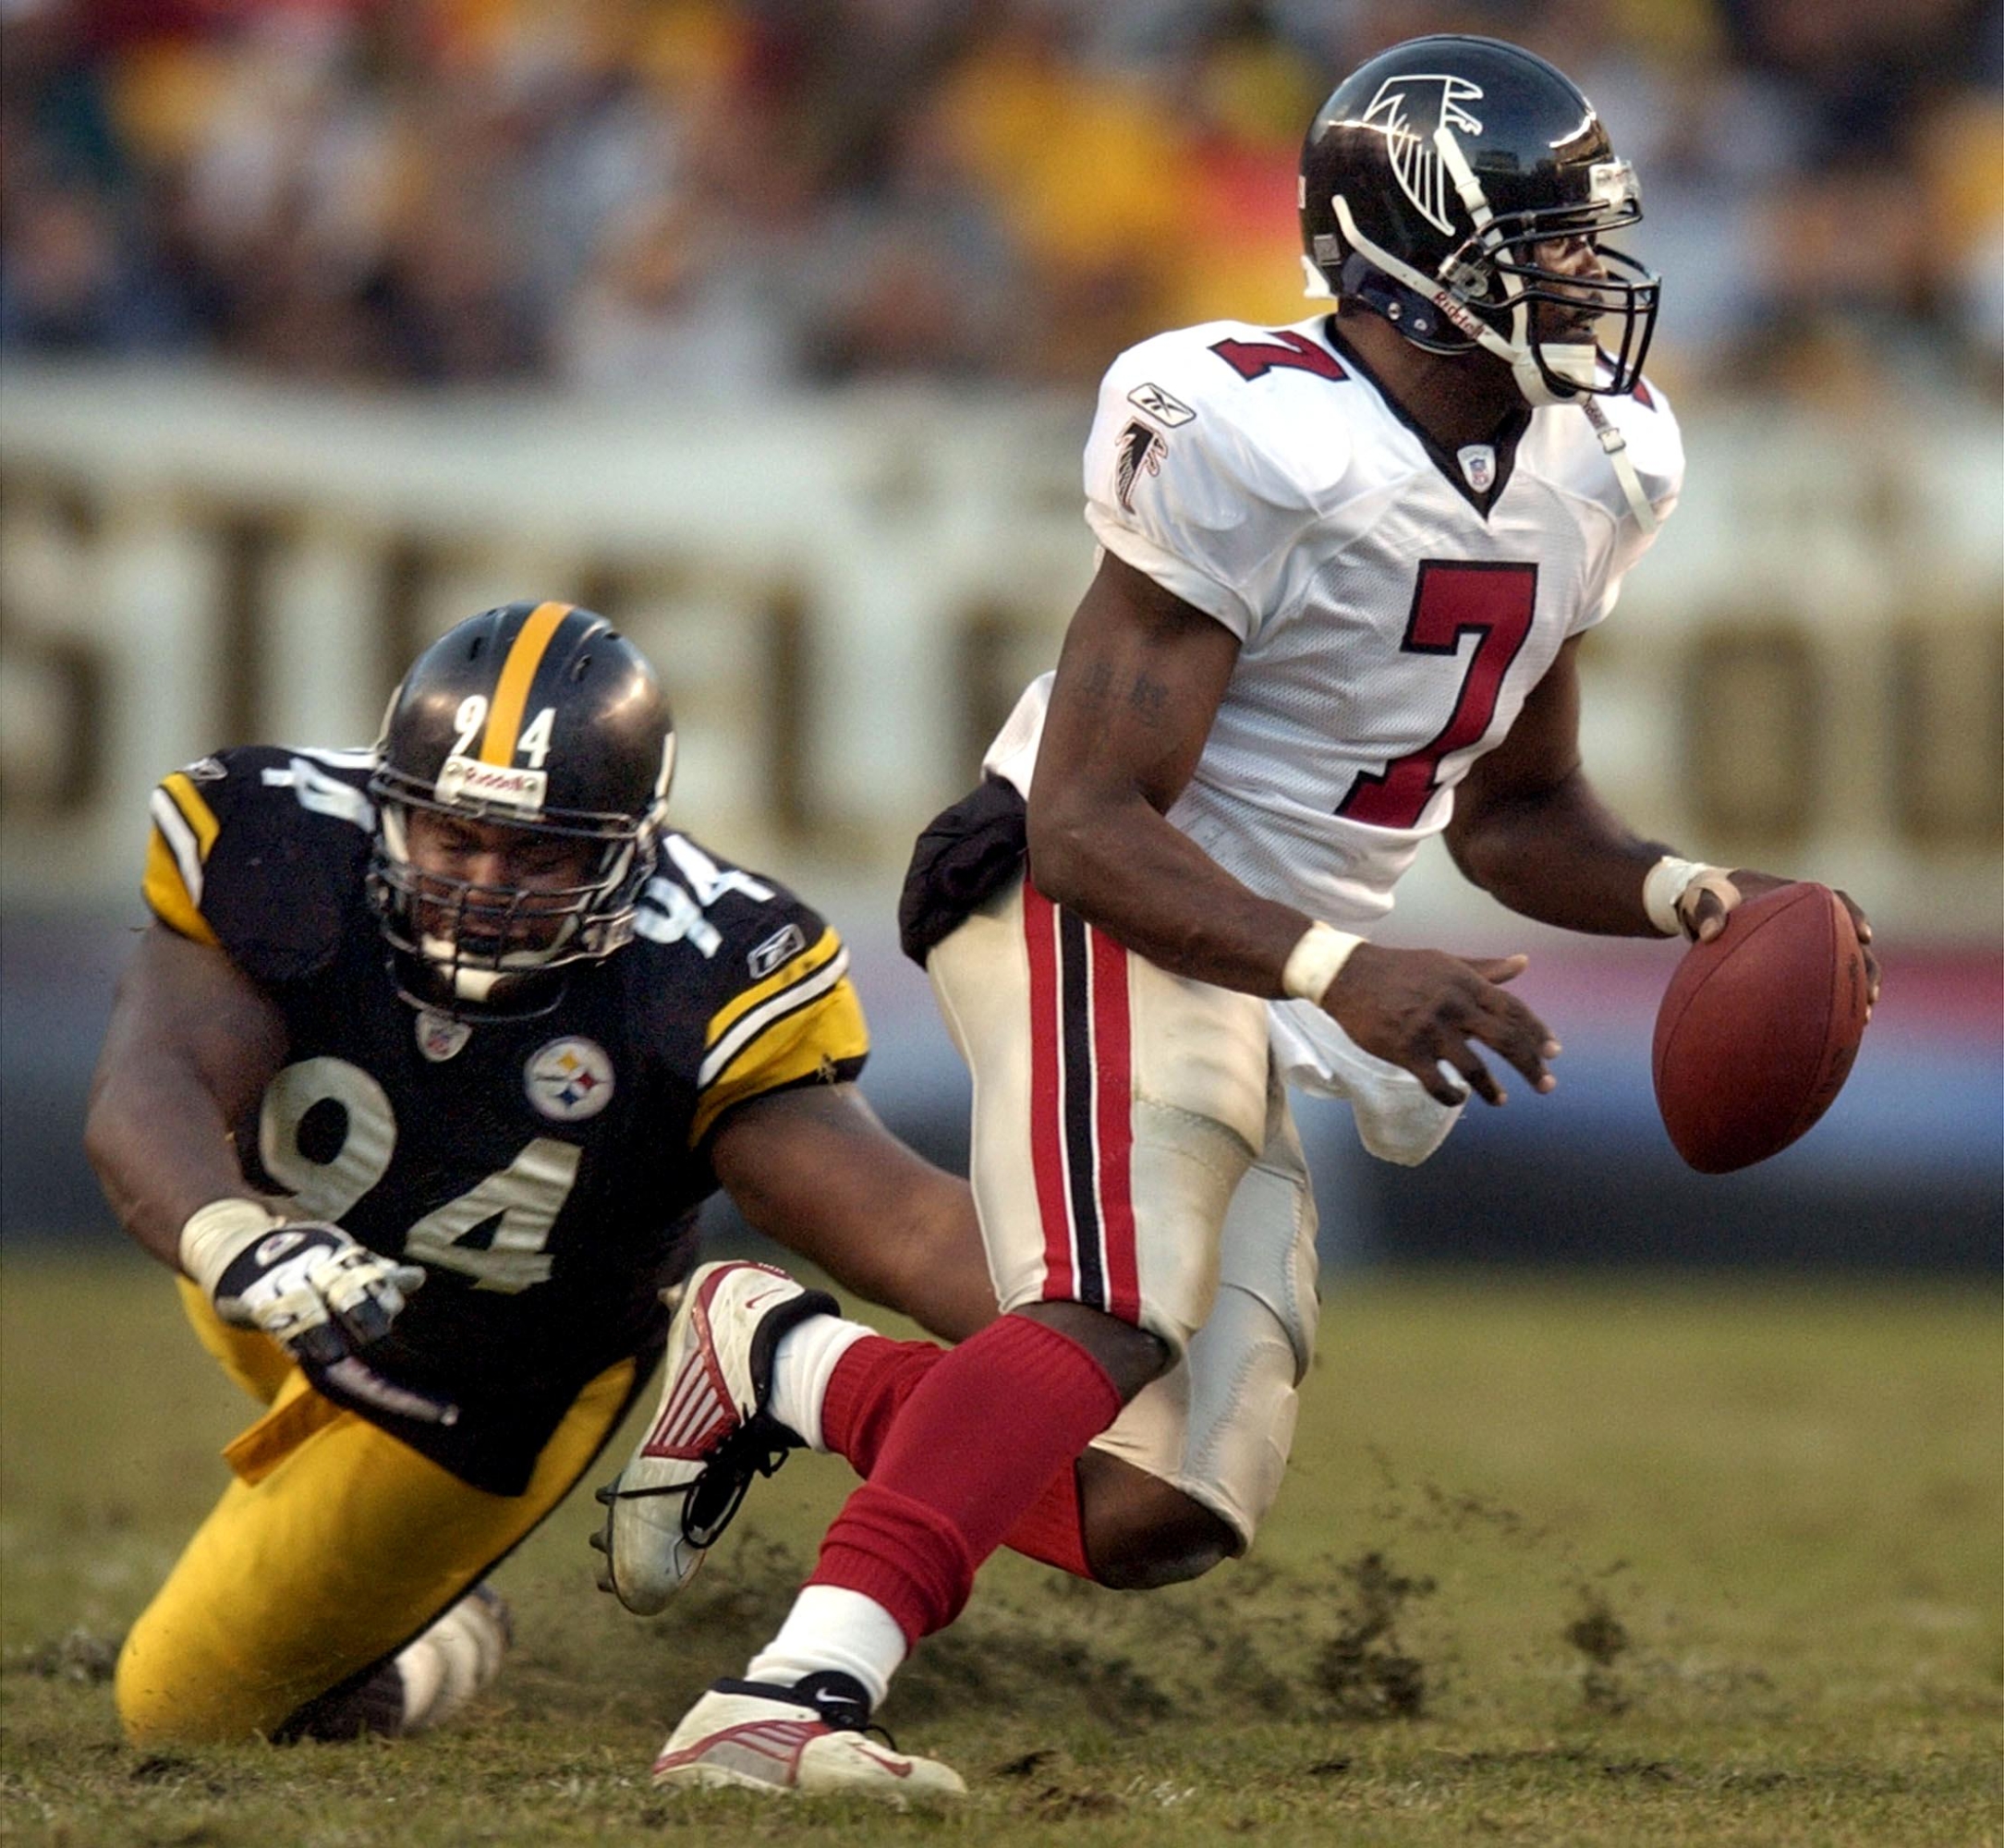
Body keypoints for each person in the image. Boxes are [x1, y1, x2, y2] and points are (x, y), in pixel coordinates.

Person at [617, 34, 1882, 1799]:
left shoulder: (1596, 462)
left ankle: (769, 1352)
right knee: (1114, 1300)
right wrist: (1341, 968)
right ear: (1419, 263)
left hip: (1275, 954)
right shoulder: (1249, 424)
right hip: (1104, 892)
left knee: (1152, 1506)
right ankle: (789, 1699)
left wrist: (1692, 897)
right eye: (1552, 242)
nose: (1594, 281)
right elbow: (1085, 819)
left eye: (1596, 239)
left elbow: (1515, 816)